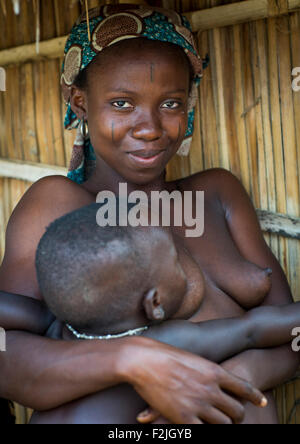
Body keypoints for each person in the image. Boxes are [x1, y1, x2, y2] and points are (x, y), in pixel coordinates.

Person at [0, 5, 298, 424]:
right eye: (122, 103)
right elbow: (5, 355)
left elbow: (291, 337)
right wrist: (135, 362)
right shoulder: (59, 204)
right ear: (80, 103)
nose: (150, 128)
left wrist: (230, 379)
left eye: (171, 103)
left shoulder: (216, 194)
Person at [0, 203, 299, 424]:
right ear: (155, 303)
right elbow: (252, 330)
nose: (183, 268)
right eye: (177, 263)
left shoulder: (51, 325)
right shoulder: (169, 341)